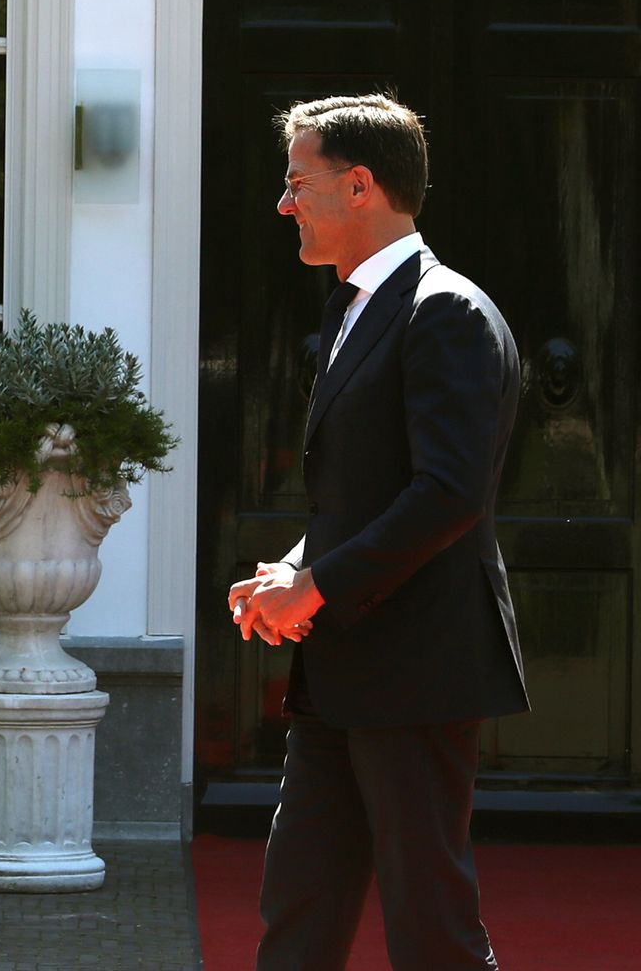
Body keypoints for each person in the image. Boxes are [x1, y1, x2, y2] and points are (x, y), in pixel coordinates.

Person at [227, 94, 528, 971]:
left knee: (430, 925)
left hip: (420, 668)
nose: (284, 205)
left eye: (297, 184)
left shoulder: (449, 312)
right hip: (340, 673)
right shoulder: (348, 310)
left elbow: (448, 495)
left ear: (360, 185)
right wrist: (291, 568)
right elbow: (359, 493)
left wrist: (315, 586)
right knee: (299, 907)